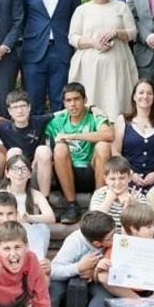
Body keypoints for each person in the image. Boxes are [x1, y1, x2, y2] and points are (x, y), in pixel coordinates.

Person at [67, 0, 139, 119]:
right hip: (89, 70)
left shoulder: (121, 7)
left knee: (116, 102)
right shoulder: (82, 10)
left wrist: (116, 32)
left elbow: (133, 33)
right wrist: (93, 42)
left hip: (116, 68)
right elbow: (73, 37)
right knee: (91, 103)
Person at [20, 0, 81, 114]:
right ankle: (37, 140)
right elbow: (20, 19)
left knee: (60, 101)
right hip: (33, 52)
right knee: (33, 100)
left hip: (61, 51)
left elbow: (76, 19)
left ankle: (59, 140)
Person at [46, 82, 114, 224]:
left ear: (85, 100)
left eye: (77, 99)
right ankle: (72, 205)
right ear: (64, 103)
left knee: (103, 147)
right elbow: (30, 122)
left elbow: (108, 135)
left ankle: (98, 204)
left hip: (92, 172)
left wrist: (72, 136)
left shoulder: (94, 115)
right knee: (59, 148)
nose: (73, 104)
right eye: (68, 100)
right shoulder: (57, 121)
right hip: (67, 175)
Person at [49, 211, 115, 307]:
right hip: (68, 277)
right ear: (97, 243)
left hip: (92, 279)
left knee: (104, 292)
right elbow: (54, 271)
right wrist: (79, 267)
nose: (115, 237)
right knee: (54, 287)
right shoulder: (74, 242)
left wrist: (94, 270)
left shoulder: (109, 241)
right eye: (111, 237)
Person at [112, 78, 154, 192]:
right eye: (141, 92)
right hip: (127, 177)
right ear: (134, 97)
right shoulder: (122, 120)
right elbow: (116, 152)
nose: (145, 96)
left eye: (149, 93)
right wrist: (130, 173)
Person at [0, 90, 54, 195]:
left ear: (29, 107)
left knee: (43, 150)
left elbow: (62, 112)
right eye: (15, 107)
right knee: (14, 152)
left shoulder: (38, 121)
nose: (20, 111)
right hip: (15, 174)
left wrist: (89, 108)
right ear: (9, 111)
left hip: (36, 171)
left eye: (23, 106)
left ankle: (45, 199)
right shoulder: (3, 127)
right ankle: (15, 197)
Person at [89, 156, 148, 232]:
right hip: (104, 238)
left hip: (129, 238)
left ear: (129, 177)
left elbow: (144, 227)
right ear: (105, 179)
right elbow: (94, 222)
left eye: (122, 178)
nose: (117, 183)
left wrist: (131, 209)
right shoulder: (100, 194)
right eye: (112, 179)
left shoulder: (138, 196)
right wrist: (109, 199)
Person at [0, 154, 56, 227]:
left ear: (30, 174)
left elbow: (51, 218)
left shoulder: (35, 194)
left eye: (24, 169)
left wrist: (29, 218)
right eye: (15, 169)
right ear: (7, 173)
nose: (19, 173)